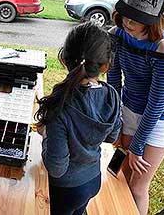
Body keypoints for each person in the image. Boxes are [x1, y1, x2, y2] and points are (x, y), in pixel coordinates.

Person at [107, 0, 164, 215]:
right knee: (119, 171)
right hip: (129, 108)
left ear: (153, 20)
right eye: (126, 13)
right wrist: (116, 120)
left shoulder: (162, 48)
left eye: (137, 18)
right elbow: (114, 81)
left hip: (159, 119)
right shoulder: (116, 34)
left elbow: (157, 103)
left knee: (138, 185)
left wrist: (137, 146)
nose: (128, 21)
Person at [35, 22, 122, 215]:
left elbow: (57, 168)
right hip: (92, 181)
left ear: (64, 59)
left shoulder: (60, 106)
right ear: (106, 65)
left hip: (65, 190)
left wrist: (45, 135)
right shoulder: (112, 95)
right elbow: (111, 136)